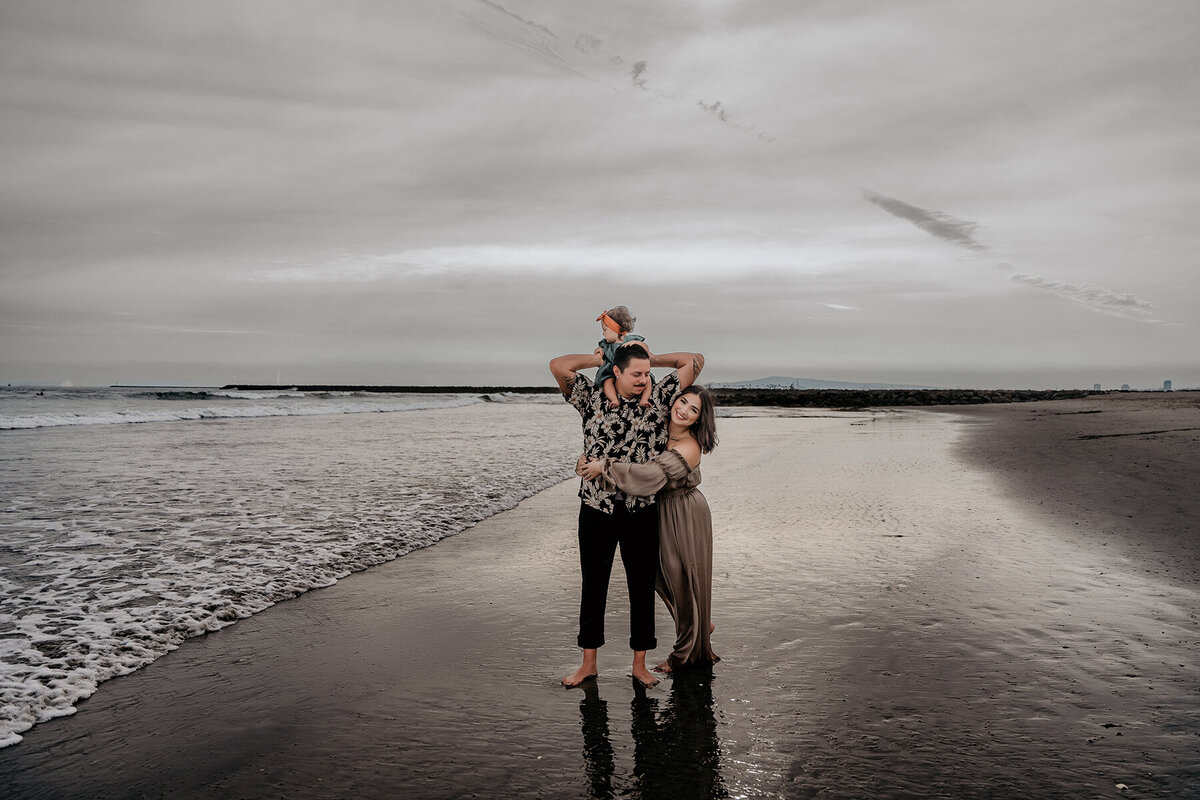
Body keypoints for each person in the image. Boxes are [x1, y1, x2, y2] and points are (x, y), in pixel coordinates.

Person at [549, 342, 705, 689]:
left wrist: (652, 358)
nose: (643, 379)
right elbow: (558, 366)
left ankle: (640, 664)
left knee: (640, 588)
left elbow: (695, 360)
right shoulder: (590, 399)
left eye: (646, 373)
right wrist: (597, 358)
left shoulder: (660, 398)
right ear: (616, 372)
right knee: (594, 586)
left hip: (641, 509)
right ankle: (588, 664)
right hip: (595, 507)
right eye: (636, 373)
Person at [581, 385, 719, 673]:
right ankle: (699, 622)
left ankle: (684, 653)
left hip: (683, 512)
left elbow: (650, 476)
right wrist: (587, 462)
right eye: (682, 401)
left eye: (693, 410)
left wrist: (604, 467)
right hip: (656, 509)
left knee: (682, 576)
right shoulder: (657, 425)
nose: (683, 410)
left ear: (699, 419)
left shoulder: (689, 446)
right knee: (658, 577)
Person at [593, 306, 652, 410]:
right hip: (611, 370)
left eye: (605, 330)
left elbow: (645, 348)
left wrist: (636, 343)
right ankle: (614, 399)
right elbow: (600, 349)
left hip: (627, 369)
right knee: (607, 381)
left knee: (648, 379)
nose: (603, 333)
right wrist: (599, 350)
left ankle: (644, 399)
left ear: (615, 329)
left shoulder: (631, 340)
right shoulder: (606, 344)